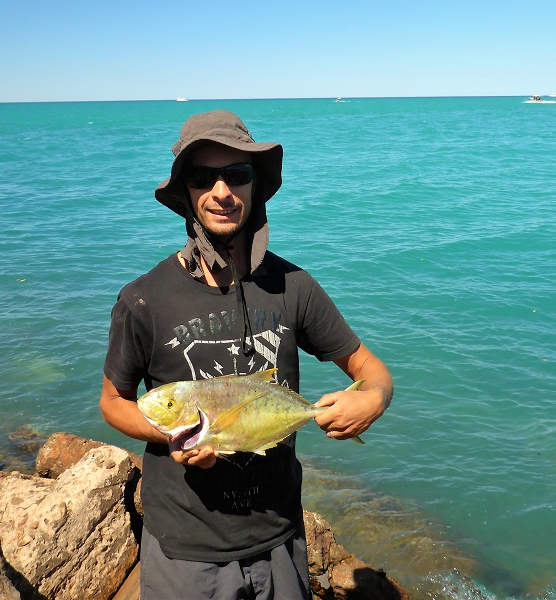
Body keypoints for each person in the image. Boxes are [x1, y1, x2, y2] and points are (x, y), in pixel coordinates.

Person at [99, 109, 393, 600]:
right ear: (186, 194)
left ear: (255, 188)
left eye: (237, 175)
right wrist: (174, 434)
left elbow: (369, 368)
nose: (221, 192)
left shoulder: (293, 287)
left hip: (279, 535)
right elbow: (112, 401)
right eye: (202, 178)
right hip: (185, 547)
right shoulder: (143, 299)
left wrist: (374, 399)